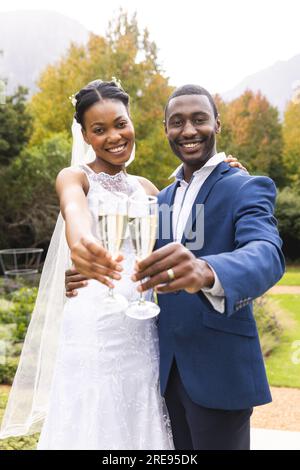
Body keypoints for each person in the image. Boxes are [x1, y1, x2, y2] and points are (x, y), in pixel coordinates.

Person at [66, 84, 284, 450]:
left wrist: (207, 271)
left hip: (219, 373)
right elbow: (134, 258)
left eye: (199, 119)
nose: (188, 130)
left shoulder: (245, 187)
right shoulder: (157, 199)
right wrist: (86, 271)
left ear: (217, 123)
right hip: (159, 374)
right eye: (176, 122)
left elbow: (267, 252)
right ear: (165, 128)